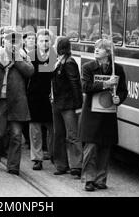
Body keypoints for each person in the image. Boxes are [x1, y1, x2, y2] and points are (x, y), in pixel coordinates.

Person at [79, 39, 128, 191]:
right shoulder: (88, 67)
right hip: (92, 114)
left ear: (108, 52)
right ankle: (89, 179)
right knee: (91, 147)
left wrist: (119, 98)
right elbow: (85, 87)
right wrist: (106, 84)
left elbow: (123, 90)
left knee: (105, 148)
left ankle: (100, 179)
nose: (96, 50)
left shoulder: (117, 69)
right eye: (96, 47)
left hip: (108, 114)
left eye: (100, 48)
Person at [0, 29, 34, 175]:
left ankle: (13, 166)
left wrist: (17, 59)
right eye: (9, 40)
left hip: (17, 100)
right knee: (0, 133)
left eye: (15, 41)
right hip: (1, 99)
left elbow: (30, 72)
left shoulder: (23, 56)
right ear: (4, 42)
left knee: (16, 134)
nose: (12, 44)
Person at [51, 37, 83, 178]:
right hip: (57, 103)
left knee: (72, 135)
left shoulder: (69, 62)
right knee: (58, 134)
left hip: (67, 104)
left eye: (55, 44)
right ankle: (61, 164)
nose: (52, 46)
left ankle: (76, 166)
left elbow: (75, 84)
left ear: (60, 46)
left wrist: (78, 105)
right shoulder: (59, 61)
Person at [26, 29, 56, 171]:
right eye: (41, 41)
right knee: (35, 130)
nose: (44, 43)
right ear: (37, 42)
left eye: (47, 40)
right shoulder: (31, 56)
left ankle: (53, 154)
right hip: (34, 96)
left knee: (52, 128)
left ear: (51, 41)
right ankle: (37, 158)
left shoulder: (54, 56)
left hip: (49, 96)